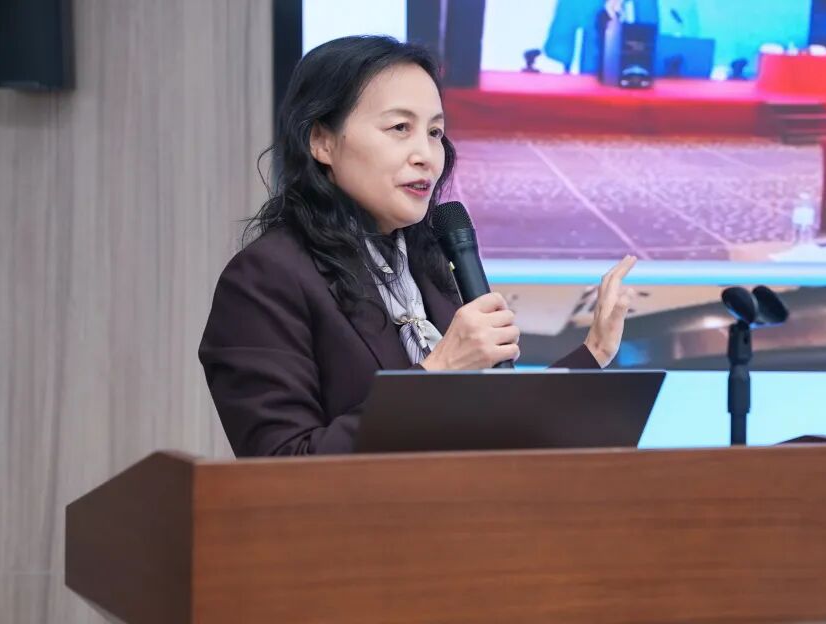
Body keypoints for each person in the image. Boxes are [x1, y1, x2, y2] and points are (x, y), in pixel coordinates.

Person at [199, 36, 638, 456]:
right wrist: (440, 371)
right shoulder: (265, 280)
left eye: (434, 132)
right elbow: (282, 466)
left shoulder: (428, 265)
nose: (426, 155)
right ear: (322, 141)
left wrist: (596, 352)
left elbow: (500, 431)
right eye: (399, 128)